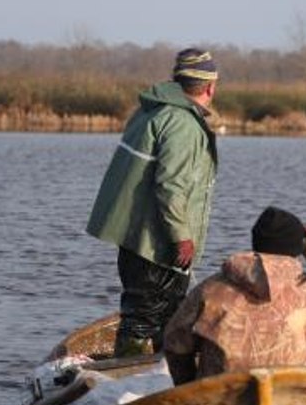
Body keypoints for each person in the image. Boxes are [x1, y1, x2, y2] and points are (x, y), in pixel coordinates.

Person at [86, 48, 220, 357]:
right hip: (157, 246)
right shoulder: (183, 123)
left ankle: (153, 371)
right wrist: (182, 237)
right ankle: (132, 374)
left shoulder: (150, 111)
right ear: (210, 87)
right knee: (146, 319)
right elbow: (170, 186)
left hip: (135, 239)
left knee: (155, 317)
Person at [162, 206, 306, 385]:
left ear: (256, 243)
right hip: (296, 397)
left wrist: (186, 384)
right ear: (298, 248)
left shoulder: (212, 288)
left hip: (222, 396)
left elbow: (174, 341)